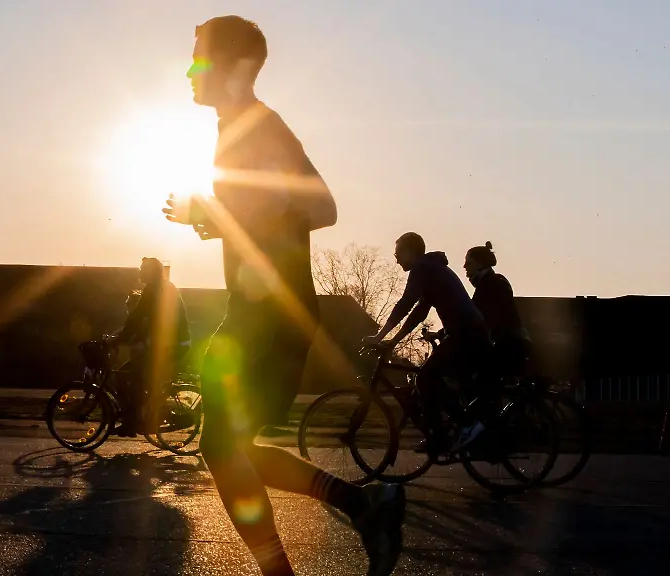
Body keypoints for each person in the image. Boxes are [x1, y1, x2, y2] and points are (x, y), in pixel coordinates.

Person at [162, 16, 405, 576]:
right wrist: (222, 219)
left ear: (232, 66)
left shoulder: (258, 127)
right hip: (258, 313)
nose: (190, 70)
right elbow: (286, 211)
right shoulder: (241, 127)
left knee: (223, 448)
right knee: (231, 447)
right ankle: (362, 506)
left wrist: (219, 211)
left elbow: (317, 207)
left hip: (270, 315)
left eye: (199, 58)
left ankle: (309, 549)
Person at [362, 232, 492, 456]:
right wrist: (391, 341)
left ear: (411, 251)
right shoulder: (432, 269)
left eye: (398, 253)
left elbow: (405, 304)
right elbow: (418, 314)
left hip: (465, 333)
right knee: (435, 379)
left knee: (424, 378)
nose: (396, 259)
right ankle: (458, 428)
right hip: (469, 332)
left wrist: (378, 336)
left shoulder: (422, 268)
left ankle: (451, 432)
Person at [108, 257, 191, 437]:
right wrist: (121, 337)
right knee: (128, 375)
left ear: (152, 272)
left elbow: (136, 318)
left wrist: (118, 339)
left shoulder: (154, 290)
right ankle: (139, 417)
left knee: (133, 377)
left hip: (172, 343)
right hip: (170, 342)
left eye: (143, 269)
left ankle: (134, 421)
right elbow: (140, 320)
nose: (140, 272)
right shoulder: (162, 287)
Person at [462, 241, 531, 377]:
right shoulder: (490, 283)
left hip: (508, 346)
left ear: (480, 264)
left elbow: (479, 317)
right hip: (511, 344)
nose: (464, 267)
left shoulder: (491, 285)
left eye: (469, 263)